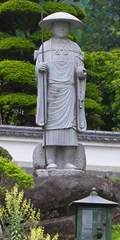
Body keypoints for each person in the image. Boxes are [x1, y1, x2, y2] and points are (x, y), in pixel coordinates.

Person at [35, 12, 86, 168]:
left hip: (69, 90)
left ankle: (69, 161)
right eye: (59, 26)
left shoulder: (74, 47)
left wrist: (81, 74)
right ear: (52, 28)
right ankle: (50, 161)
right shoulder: (45, 47)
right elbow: (38, 68)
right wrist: (40, 68)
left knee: (70, 126)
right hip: (52, 90)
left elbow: (80, 69)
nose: (62, 29)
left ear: (69, 28)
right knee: (51, 126)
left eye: (65, 26)